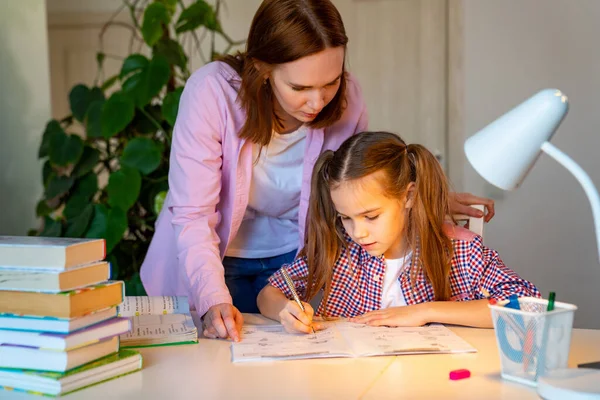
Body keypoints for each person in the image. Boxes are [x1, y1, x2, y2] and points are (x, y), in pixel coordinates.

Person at [140, 0, 495, 342]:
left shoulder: (348, 98)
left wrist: (422, 196)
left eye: (331, 82)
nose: (317, 102)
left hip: (291, 257)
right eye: (299, 87)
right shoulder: (213, 93)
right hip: (210, 258)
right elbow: (193, 214)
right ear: (263, 69)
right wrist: (212, 298)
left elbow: (355, 182)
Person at [257, 132, 539, 333]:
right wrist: (286, 311)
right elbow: (268, 294)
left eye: (371, 216)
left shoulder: (460, 252)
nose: (359, 232)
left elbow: (527, 308)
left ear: (408, 196)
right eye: (346, 218)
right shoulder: (339, 249)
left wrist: (425, 311)